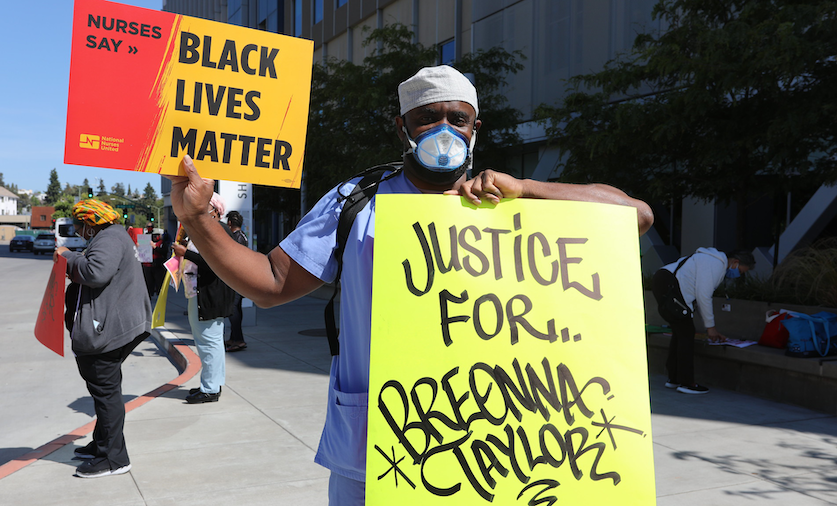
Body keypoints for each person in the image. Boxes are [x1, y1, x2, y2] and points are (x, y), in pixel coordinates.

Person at [166, 65, 654, 504]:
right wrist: (197, 221)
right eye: (427, 118)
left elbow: (637, 215)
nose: (444, 130)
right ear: (402, 127)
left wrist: (527, 189)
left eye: (457, 119)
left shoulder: (512, 199)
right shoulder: (357, 202)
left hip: (506, 448)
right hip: (381, 445)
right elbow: (272, 283)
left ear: (474, 129)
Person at [55, 199, 151, 478]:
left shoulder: (109, 238)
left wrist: (67, 258)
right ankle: (102, 444)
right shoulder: (113, 235)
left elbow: (95, 272)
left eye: (78, 223)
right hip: (117, 324)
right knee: (105, 389)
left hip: (108, 329)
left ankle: (113, 459)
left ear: (90, 223)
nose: (76, 228)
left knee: (106, 392)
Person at [652, 248, 755, 394]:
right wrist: (710, 327)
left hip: (663, 280)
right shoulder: (716, 264)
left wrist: (707, 324)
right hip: (670, 284)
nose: (738, 274)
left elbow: (697, 296)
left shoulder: (708, 259)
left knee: (680, 332)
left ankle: (674, 379)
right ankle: (687, 383)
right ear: (735, 262)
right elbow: (704, 296)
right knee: (686, 333)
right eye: (741, 271)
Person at [172, 192, 235, 404]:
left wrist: (185, 253)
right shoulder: (210, 230)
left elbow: (213, 262)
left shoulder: (216, 231)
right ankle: (210, 384)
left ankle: (210, 388)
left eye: (203, 207)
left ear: (215, 211)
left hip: (210, 295)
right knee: (209, 342)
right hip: (203, 294)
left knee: (209, 343)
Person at [224, 210, 249, 352]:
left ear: (229, 223)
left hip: (236, 280)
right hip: (239, 279)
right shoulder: (242, 236)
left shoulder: (236, 237)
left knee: (233, 310)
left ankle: (239, 340)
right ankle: (234, 337)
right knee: (236, 309)